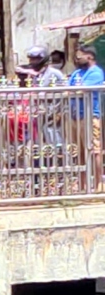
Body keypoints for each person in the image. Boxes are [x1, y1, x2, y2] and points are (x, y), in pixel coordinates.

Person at [69, 45, 105, 191]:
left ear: (89, 56)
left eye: (80, 56)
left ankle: (98, 185)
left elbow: (81, 89)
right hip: (75, 116)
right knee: (80, 151)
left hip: (90, 116)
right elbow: (68, 89)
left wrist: (74, 91)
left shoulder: (96, 73)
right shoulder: (77, 72)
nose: (77, 59)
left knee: (95, 150)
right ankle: (82, 185)